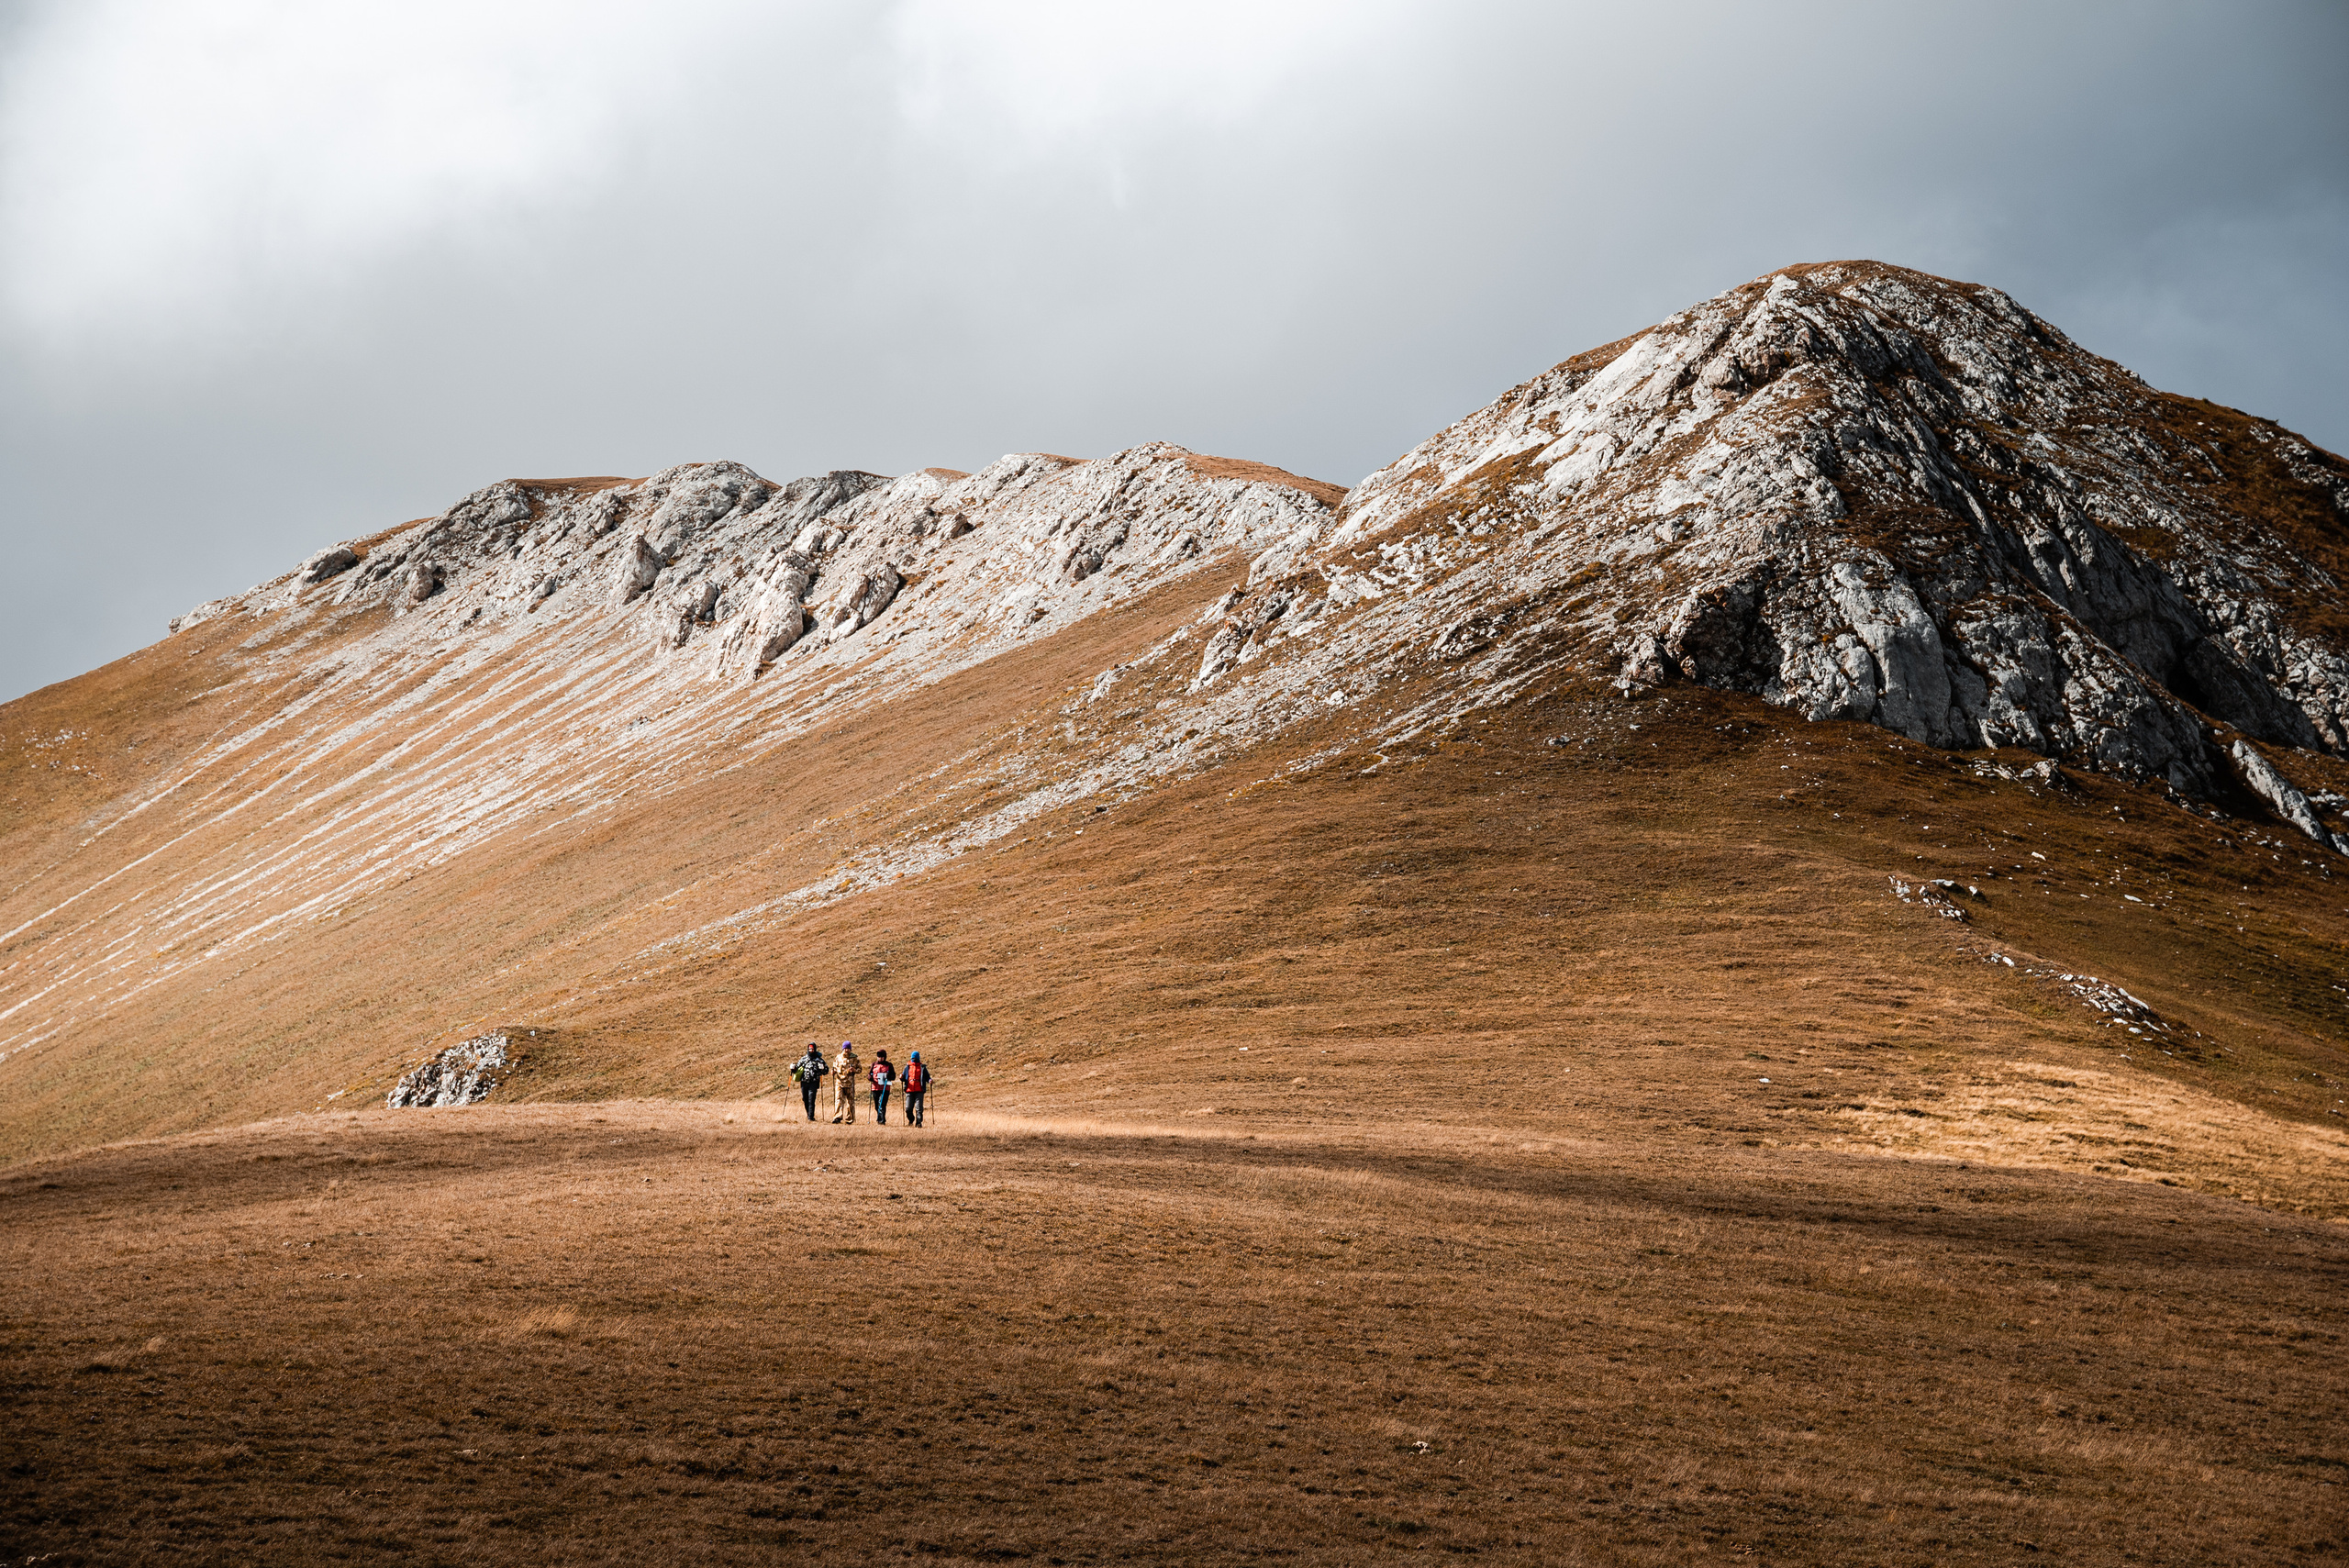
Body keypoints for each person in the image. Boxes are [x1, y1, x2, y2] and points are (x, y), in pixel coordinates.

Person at [786, 1041, 827, 1121]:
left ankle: (810, 1117)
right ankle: (809, 1114)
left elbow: (826, 1071)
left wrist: (822, 1068)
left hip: (814, 1082)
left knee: (811, 1099)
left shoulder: (819, 1060)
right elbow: (796, 1069)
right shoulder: (804, 1059)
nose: (811, 1050)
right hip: (804, 1082)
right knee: (805, 1099)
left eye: (812, 1049)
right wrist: (793, 1068)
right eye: (809, 1049)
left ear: (815, 1049)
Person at [829, 1040, 863, 1124]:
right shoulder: (838, 1057)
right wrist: (833, 1072)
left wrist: (855, 1070)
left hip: (850, 1084)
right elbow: (834, 1068)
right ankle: (837, 1117)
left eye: (848, 1048)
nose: (846, 1050)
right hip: (839, 1082)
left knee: (850, 1102)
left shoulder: (855, 1058)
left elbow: (860, 1069)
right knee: (838, 1100)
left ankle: (849, 1119)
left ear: (850, 1049)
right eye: (845, 1048)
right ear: (843, 1049)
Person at [901, 1051, 930, 1128]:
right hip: (909, 1090)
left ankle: (919, 1123)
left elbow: (927, 1077)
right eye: (913, 1058)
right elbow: (904, 1077)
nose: (914, 1060)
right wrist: (902, 1077)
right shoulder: (907, 1067)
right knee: (908, 1108)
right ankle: (911, 1119)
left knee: (919, 1108)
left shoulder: (922, 1067)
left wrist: (930, 1080)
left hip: (919, 1090)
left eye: (915, 1058)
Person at [869, 1049, 896, 1125]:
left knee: (882, 1104)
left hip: (885, 1088)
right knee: (877, 1106)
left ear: (885, 1057)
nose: (880, 1058)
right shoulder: (874, 1065)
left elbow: (893, 1076)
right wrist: (870, 1078)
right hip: (875, 1088)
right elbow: (869, 1074)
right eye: (879, 1057)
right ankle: (880, 1118)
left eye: (881, 1057)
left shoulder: (889, 1065)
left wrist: (889, 1076)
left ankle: (882, 1121)